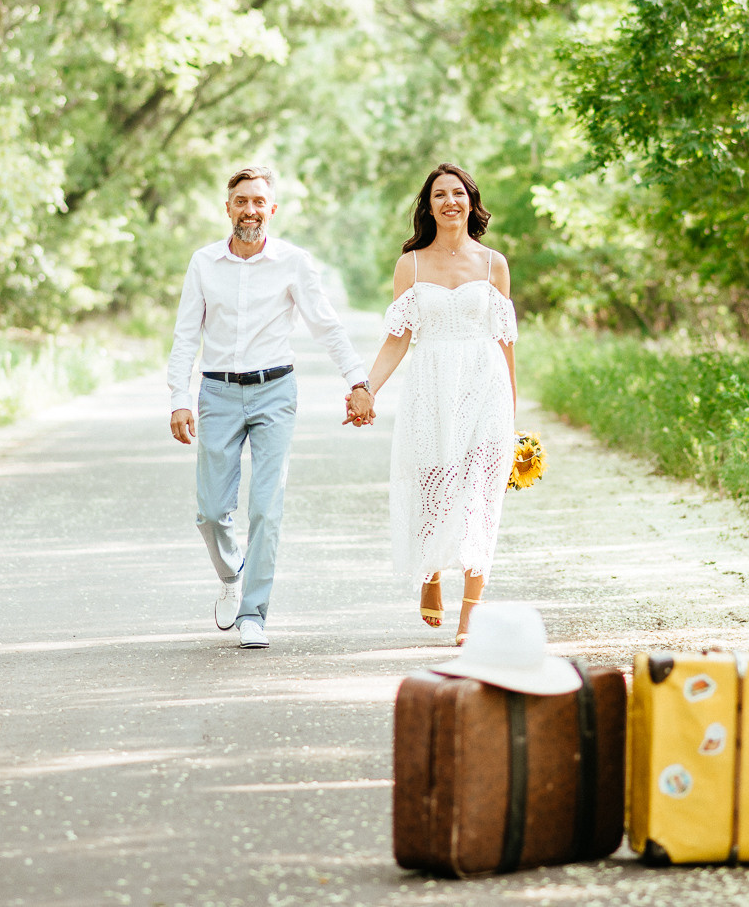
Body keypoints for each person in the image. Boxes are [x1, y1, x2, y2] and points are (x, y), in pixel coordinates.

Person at [166, 166, 374, 648]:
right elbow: (185, 335)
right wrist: (179, 398)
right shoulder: (203, 262)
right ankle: (231, 574)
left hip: (275, 391)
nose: (250, 210)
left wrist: (358, 381)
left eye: (259, 201)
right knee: (210, 512)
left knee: (266, 507)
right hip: (217, 393)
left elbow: (326, 325)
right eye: (241, 201)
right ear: (228, 208)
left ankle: (253, 613)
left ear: (272, 209)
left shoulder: (293, 262)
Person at [348, 163, 518, 646]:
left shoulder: (494, 264)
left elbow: (505, 341)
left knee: (479, 497)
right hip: (430, 388)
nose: (450, 202)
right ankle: (430, 573)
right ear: (428, 206)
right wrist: (366, 389)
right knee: (433, 487)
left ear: (471, 202)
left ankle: (471, 613)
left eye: (457, 193)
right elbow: (397, 339)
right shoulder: (412, 265)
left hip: (485, 388)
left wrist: (511, 413)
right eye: (439, 194)